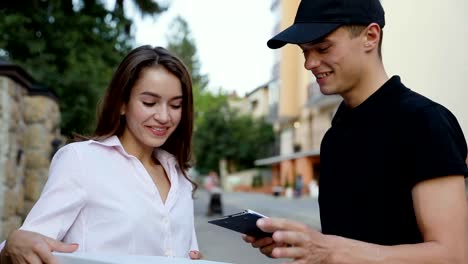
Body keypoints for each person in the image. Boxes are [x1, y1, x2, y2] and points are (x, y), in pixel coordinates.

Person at [243, 0, 468, 263]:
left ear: (370, 37)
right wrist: (304, 243)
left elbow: (452, 255)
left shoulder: (424, 121)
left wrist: (329, 250)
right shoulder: (335, 136)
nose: (310, 63)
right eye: (305, 52)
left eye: (323, 48)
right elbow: (358, 239)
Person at [0, 45, 203, 263]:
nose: (164, 116)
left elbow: (184, 253)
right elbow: (26, 247)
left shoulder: (179, 175)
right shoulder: (82, 161)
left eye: (175, 105)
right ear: (122, 104)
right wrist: (9, 247)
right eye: (149, 102)